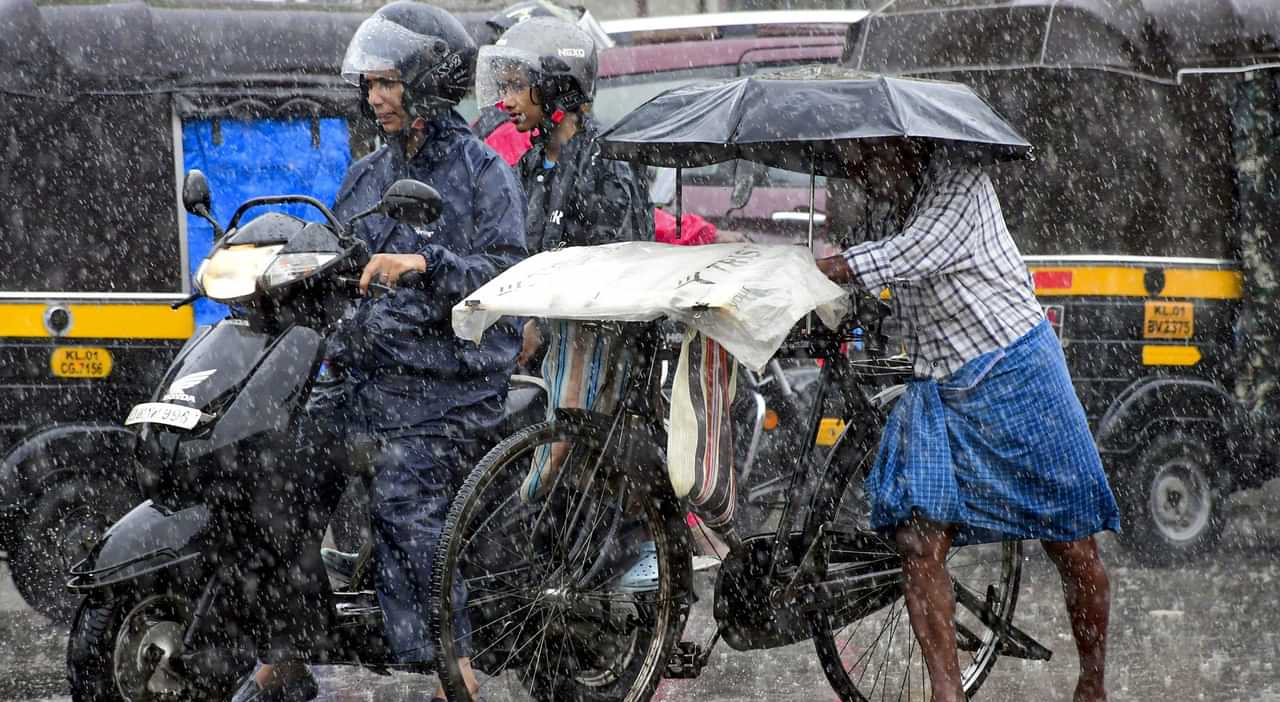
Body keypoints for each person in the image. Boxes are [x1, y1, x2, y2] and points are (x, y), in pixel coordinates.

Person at [230, 3, 526, 701]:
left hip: (450, 383)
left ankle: (455, 674)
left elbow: (507, 282)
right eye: (369, 85)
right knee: (274, 466)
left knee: (404, 492)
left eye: (388, 83)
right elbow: (341, 265)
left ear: (427, 84)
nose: (375, 97)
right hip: (369, 376)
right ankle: (289, 649)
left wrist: (425, 264)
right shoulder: (365, 176)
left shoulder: (484, 174)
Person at [816, 143, 1120, 702]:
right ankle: (946, 695)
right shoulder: (885, 203)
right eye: (852, 161)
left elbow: (909, 255)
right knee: (919, 542)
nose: (859, 171)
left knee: (1073, 546)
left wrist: (821, 270)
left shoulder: (961, 184)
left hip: (1019, 371)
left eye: (868, 157)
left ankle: (1092, 682)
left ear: (906, 149)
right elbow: (881, 272)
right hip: (941, 386)